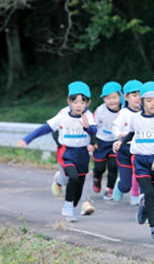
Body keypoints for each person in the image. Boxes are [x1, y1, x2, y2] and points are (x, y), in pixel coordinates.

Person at [18, 81, 97, 222]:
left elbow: (94, 131)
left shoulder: (88, 116)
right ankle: (67, 204)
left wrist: (87, 128)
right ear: (69, 101)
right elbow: (45, 128)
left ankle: (72, 207)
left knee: (79, 186)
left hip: (82, 154)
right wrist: (27, 139)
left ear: (88, 103)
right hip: (66, 152)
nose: (78, 105)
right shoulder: (62, 115)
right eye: (75, 101)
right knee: (72, 177)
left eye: (82, 102)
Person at [113, 82, 154, 243]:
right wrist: (122, 141)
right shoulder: (135, 118)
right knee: (148, 192)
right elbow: (132, 133)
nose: (153, 103)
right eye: (149, 100)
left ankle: (143, 206)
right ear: (142, 102)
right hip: (140, 159)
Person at [112, 80, 142, 205]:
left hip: (139, 149)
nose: (138, 98)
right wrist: (119, 136)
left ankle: (138, 196)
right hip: (124, 150)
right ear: (125, 97)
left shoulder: (146, 114)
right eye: (134, 95)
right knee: (125, 186)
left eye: (140, 95)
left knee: (139, 174)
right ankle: (120, 185)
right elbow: (115, 127)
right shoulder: (123, 113)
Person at [92, 81, 123, 200]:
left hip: (115, 142)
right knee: (99, 167)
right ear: (104, 99)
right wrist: (93, 141)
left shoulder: (124, 111)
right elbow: (93, 126)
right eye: (108, 98)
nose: (112, 101)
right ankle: (96, 177)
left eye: (114, 97)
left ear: (120, 97)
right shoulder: (100, 111)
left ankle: (109, 189)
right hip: (101, 141)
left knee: (113, 167)